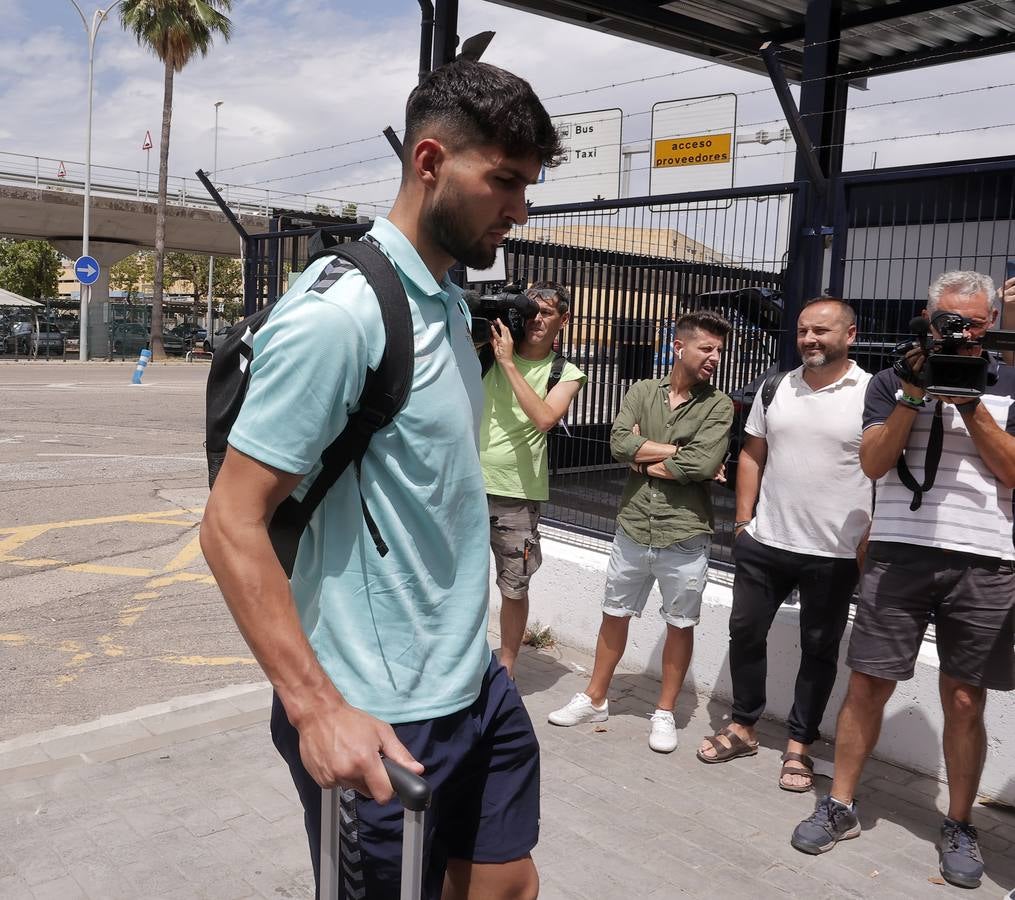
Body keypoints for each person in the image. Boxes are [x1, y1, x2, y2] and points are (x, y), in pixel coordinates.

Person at [200, 59, 564, 900]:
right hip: (378, 707)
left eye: (527, 185)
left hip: (467, 683)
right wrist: (315, 708)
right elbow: (230, 523)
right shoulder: (340, 316)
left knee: (508, 883)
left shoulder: (444, 298)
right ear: (430, 162)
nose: (518, 209)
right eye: (503, 181)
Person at [790, 271, 1015, 891]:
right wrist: (915, 393)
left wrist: (968, 402)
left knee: (967, 699)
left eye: (970, 323)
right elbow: (873, 461)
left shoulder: (1009, 381)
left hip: (986, 558)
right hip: (899, 553)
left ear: (990, 322)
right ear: (926, 316)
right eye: (947, 320)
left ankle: (961, 823)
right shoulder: (892, 380)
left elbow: (1012, 470)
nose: (958, 332)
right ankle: (838, 803)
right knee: (867, 685)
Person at [697, 298, 872, 791]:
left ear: (850, 335)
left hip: (835, 552)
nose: (810, 339)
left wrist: (870, 535)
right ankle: (743, 724)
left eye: (822, 330)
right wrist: (743, 522)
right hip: (766, 540)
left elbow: (885, 469)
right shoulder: (776, 387)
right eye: (802, 331)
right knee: (745, 632)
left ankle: (799, 746)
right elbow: (752, 454)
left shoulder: (873, 393)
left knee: (819, 649)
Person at [547, 311, 733, 753]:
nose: (714, 358)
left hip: (684, 534)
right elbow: (617, 443)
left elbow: (702, 465)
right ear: (679, 346)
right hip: (633, 526)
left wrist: (649, 455)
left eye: (719, 351)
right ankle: (595, 697)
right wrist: (677, 452)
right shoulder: (641, 391)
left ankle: (665, 712)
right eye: (706, 348)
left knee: (680, 623)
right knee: (614, 613)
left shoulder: (719, 405)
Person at [480, 281, 587, 678]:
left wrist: (509, 363)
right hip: (468, 485)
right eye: (531, 311)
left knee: (513, 586)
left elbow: (544, 418)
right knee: (463, 580)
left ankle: (506, 667)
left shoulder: (567, 372)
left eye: (546, 313)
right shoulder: (487, 352)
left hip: (517, 495)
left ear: (564, 319)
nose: (536, 319)